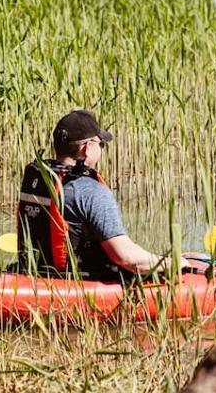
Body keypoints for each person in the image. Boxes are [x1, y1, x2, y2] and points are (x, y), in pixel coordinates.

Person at [17, 109, 190, 280]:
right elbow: (125, 257)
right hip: (80, 285)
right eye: (101, 144)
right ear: (87, 148)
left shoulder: (39, 179)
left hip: (36, 277)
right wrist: (174, 263)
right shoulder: (89, 191)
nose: (102, 149)